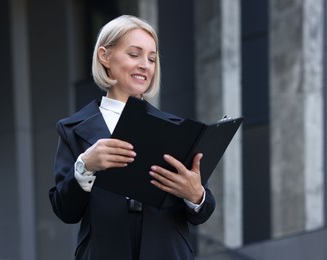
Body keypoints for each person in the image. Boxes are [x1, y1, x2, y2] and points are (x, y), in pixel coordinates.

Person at [49, 15, 216, 260]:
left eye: (151, 58)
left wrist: (195, 195)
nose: (145, 65)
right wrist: (85, 166)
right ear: (105, 56)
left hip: (167, 251)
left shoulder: (176, 128)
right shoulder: (72, 129)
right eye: (134, 54)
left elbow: (202, 211)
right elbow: (66, 211)